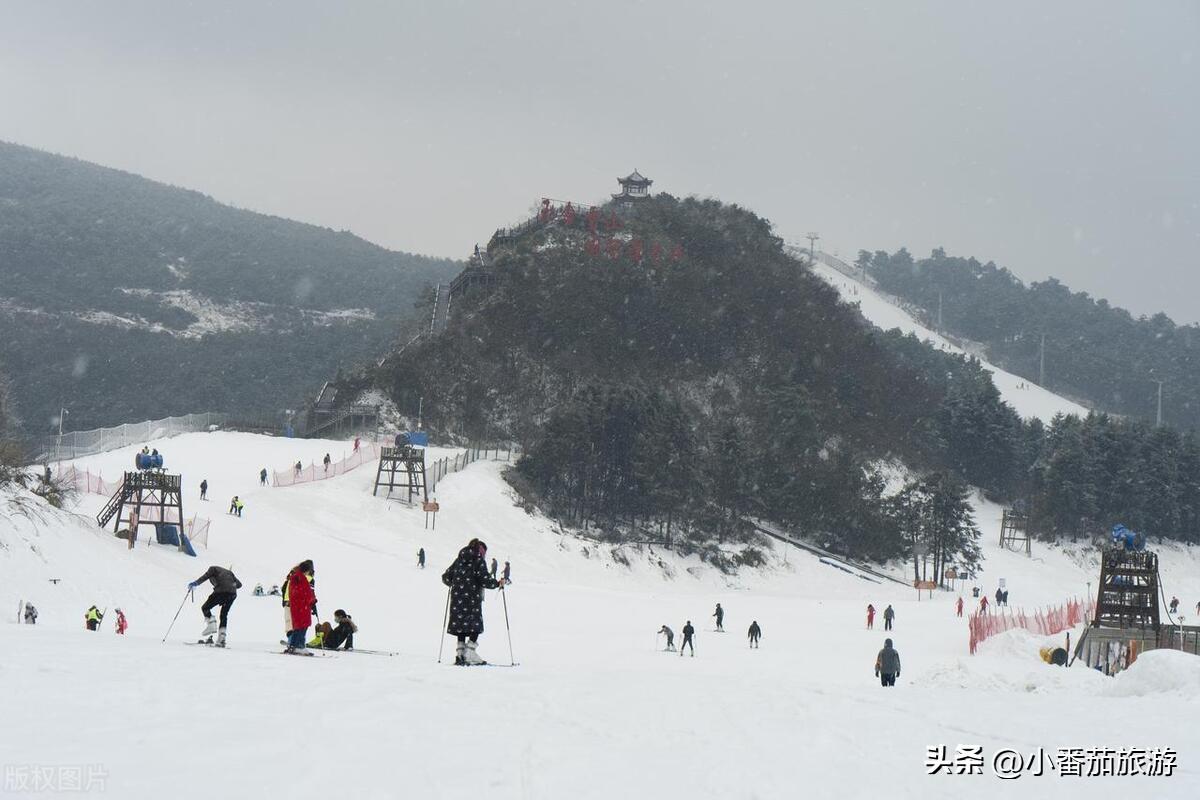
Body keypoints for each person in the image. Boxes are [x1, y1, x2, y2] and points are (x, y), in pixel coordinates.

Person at [441, 538, 504, 665]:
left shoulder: (459, 559)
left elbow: (446, 576)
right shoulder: (478, 560)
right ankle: (470, 652)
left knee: (461, 625)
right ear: (481, 550)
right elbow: (485, 580)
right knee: (475, 624)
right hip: (471, 600)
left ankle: (460, 654)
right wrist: (498, 583)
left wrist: (454, 584)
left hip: (457, 599)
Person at [189, 565, 243, 646]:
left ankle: (212, 625)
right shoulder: (229, 572)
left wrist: (195, 583)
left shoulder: (212, 569)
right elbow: (239, 585)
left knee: (205, 607)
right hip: (232, 593)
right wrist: (230, 584)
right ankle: (222, 638)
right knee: (224, 615)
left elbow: (205, 576)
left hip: (221, 591)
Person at [284, 560, 317, 652]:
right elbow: (305, 592)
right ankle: (299, 646)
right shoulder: (300, 578)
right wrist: (311, 600)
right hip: (301, 606)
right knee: (302, 626)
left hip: (296, 605)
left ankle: (293, 645)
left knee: (298, 626)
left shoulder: (295, 576)